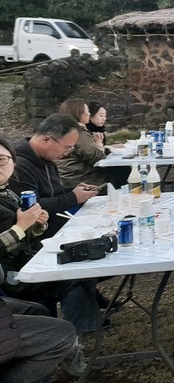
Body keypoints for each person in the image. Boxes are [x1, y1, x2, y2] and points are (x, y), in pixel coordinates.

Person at [2, 129, 102, 334]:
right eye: (66, 147)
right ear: (47, 139)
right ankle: (72, 333)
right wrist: (22, 226)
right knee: (80, 272)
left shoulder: (8, 190)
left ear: (13, 162)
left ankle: (71, 329)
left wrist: (37, 225)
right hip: (16, 274)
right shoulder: (24, 170)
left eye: (3, 160)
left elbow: (26, 227)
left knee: (86, 257)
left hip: (30, 256)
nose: (67, 153)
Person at [56, 98, 109, 189]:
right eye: (87, 111)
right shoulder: (78, 133)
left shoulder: (60, 130)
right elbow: (96, 156)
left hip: (65, 178)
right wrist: (99, 143)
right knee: (122, 173)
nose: (89, 114)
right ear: (79, 113)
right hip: (80, 180)